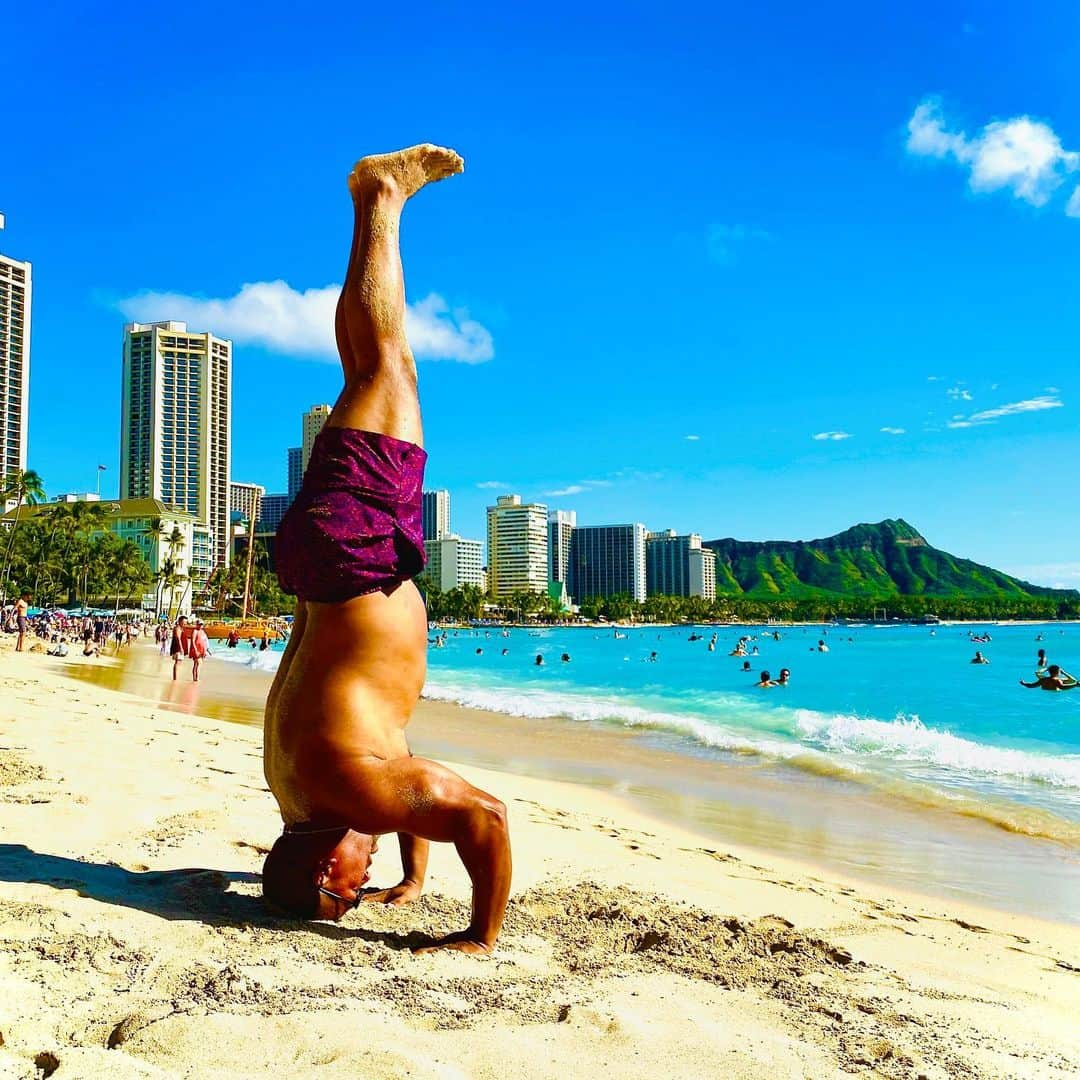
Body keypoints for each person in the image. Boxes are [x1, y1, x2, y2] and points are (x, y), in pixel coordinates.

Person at [263, 145, 510, 953]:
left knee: (386, 365)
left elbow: (483, 816)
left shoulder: (353, 788)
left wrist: (479, 934)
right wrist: (414, 879)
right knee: (367, 369)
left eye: (351, 885)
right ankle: (376, 204)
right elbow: (403, 775)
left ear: (326, 867)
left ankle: (381, 198)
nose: (361, 882)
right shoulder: (301, 792)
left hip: (357, 557)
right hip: (323, 564)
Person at [170, 617, 189, 681]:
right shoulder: (178, 628)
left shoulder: (180, 628)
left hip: (178, 648)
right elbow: (178, 638)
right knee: (178, 662)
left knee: (178, 662)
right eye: (184, 622)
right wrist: (181, 648)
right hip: (178, 648)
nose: (185, 623)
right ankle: (175, 678)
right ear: (180, 621)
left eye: (186, 622)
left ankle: (175, 677)